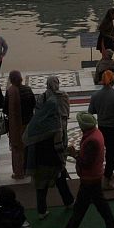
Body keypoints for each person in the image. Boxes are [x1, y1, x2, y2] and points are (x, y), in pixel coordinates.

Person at [54, 112, 114, 228]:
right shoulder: (96, 133)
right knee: (100, 204)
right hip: (95, 176)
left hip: (90, 178)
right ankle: (111, 227)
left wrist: (75, 155)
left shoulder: (92, 140)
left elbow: (87, 163)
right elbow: (90, 156)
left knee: (80, 208)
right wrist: (79, 153)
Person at [23, 83, 74, 219]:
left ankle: (41, 211)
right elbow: (58, 146)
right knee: (61, 181)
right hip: (53, 161)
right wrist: (63, 159)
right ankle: (69, 202)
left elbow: (26, 139)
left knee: (41, 187)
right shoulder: (55, 125)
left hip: (38, 161)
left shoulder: (35, 123)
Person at [88, 70, 114, 190]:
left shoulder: (95, 95)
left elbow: (91, 111)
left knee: (104, 153)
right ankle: (106, 180)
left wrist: (101, 110)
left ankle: (107, 173)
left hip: (102, 128)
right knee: (112, 155)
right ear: (113, 80)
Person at [6, 70, 34, 180]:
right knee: (27, 146)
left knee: (17, 148)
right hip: (28, 123)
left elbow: (5, 109)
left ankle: (18, 172)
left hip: (15, 125)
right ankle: (28, 169)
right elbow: (33, 104)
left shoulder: (10, 92)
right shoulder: (27, 89)